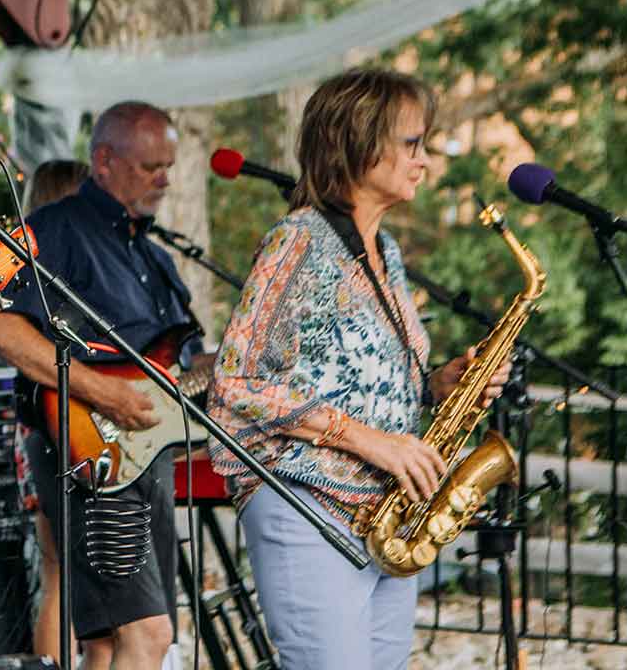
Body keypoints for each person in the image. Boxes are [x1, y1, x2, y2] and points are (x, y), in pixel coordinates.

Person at [208, 68, 506, 670]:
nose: (424, 160)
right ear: (358, 141)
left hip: (386, 519)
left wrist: (439, 383)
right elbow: (234, 382)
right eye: (411, 143)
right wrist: (373, 443)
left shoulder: (385, 252)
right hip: (309, 507)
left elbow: (348, 375)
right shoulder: (298, 241)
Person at [0, 103, 197, 670]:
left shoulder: (149, 253)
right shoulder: (59, 228)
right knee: (148, 635)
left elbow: (182, 358)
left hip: (142, 454)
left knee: (107, 640)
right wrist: (104, 393)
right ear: (104, 160)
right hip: (89, 450)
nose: (165, 179)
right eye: (152, 165)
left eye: (169, 166)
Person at [15, 158, 90, 669]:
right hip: (61, 432)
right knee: (64, 573)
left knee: (56, 571)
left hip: (37, 430)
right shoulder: (68, 272)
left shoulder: (30, 271)